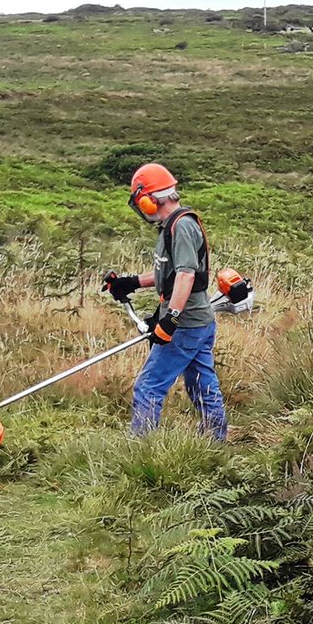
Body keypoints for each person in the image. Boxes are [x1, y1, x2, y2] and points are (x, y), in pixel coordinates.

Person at [101, 162, 227, 441]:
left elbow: (186, 275)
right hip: (198, 321)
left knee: (149, 386)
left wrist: (170, 319)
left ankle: (140, 449)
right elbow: (168, 275)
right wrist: (131, 281)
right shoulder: (173, 226)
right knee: (201, 384)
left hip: (185, 325)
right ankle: (215, 442)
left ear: (148, 201)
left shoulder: (181, 227)